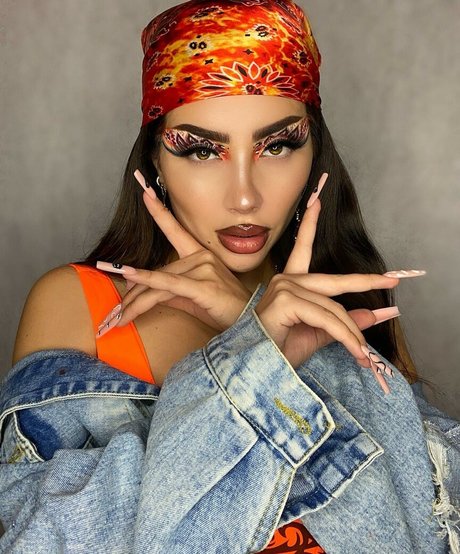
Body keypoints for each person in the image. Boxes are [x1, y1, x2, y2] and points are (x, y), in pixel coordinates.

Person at [0, 0, 458, 552]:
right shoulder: (80, 304)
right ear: (155, 161)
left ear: (314, 154)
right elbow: (40, 538)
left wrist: (253, 327)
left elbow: (425, 530)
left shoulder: (345, 312)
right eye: (201, 151)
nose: (244, 196)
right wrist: (250, 358)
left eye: (278, 146)